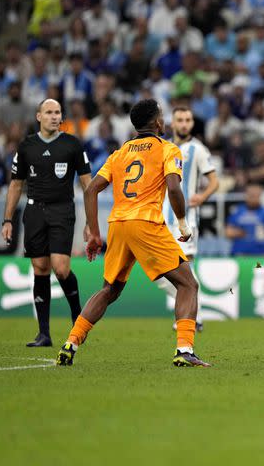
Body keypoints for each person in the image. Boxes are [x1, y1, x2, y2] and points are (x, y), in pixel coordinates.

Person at [55, 99, 210, 367]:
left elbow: (90, 190)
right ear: (156, 122)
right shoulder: (168, 149)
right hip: (147, 223)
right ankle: (184, 350)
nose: (164, 121)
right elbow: (174, 189)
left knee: (109, 290)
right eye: (161, 117)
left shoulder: (119, 153)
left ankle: (71, 343)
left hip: (118, 225)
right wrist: (183, 222)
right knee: (188, 284)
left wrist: (94, 233)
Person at [1, 98, 92, 347]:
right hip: (34, 211)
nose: (54, 116)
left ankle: (78, 317)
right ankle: (44, 334)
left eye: (58, 112)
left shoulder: (72, 144)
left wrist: (90, 222)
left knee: (61, 268)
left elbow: (87, 185)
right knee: (40, 267)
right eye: (49, 112)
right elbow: (16, 184)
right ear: (39, 116)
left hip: (62, 210)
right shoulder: (27, 146)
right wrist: (7, 219)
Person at [158, 106, 219, 331]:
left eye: (188, 120)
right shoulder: (163, 147)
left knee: (187, 270)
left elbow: (214, 181)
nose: (184, 124)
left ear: (192, 123)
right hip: (162, 219)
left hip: (187, 220)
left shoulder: (198, 149)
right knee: (161, 272)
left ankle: (192, 317)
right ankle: (193, 311)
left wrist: (201, 197)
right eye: (180, 120)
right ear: (172, 123)